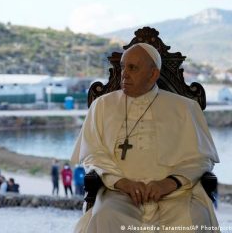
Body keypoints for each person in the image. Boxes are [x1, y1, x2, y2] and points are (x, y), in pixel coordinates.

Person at [71, 43, 220, 232]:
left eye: (132, 68)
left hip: (176, 195)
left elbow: (201, 158)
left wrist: (170, 183)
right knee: (105, 217)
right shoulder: (101, 106)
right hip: (119, 194)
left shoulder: (185, 107)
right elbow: (92, 154)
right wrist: (120, 182)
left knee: (195, 220)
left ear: (153, 74)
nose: (124, 73)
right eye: (123, 67)